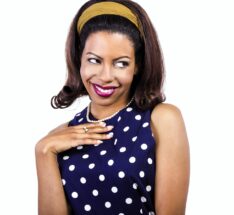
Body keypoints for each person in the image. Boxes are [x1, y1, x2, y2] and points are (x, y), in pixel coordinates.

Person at [35, 0, 190, 214]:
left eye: (121, 63)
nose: (105, 76)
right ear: (79, 59)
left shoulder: (161, 120)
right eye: (94, 60)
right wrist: (43, 152)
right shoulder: (60, 138)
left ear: (137, 66)